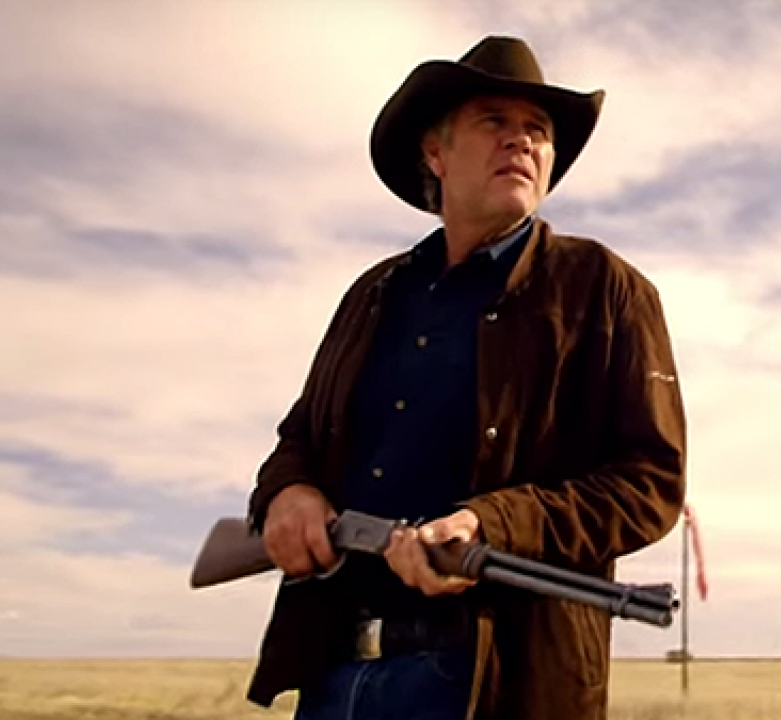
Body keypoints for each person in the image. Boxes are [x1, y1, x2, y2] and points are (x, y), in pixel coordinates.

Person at [244, 35, 687, 720]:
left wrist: (492, 524)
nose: (522, 140)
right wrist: (289, 494)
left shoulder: (606, 288)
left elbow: (648, 484)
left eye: (537, 130)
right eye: (494, 121)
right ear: (436, 154)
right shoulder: (372, 295)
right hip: (335, 675)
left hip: (493, 684)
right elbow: (299, 439)